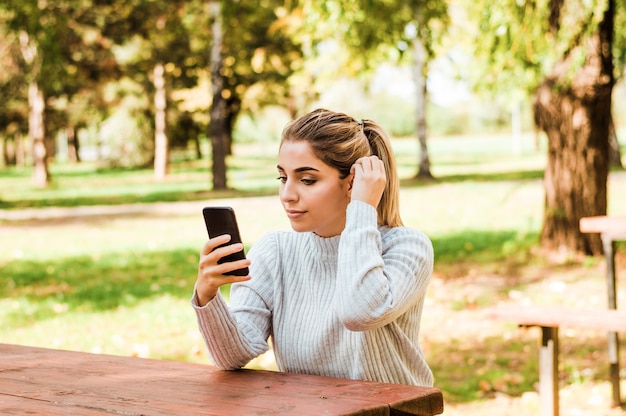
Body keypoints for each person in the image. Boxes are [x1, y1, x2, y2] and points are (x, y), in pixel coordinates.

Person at [191, 108, 434, 387]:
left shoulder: (406, 247)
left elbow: (360, 313)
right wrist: (206, 295)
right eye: (283, 178)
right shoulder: (275, 251)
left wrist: (362, 208)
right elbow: (233, 355)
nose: (287, 195)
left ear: (353, 183)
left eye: (307, 180)